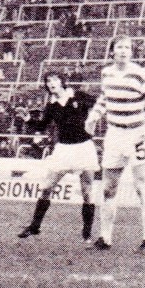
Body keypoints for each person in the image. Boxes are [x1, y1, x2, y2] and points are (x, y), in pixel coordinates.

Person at [84, 35, 145, 253]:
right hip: (114, 136)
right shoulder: (107, 73)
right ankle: (105, 238)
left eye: (127, 47)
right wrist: (94, 115)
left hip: (137, 135)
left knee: (143, 187)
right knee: (109, 188)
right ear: (112, 51)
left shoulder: (140, 74)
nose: (123, 51)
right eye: (119, 47)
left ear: (132, 51)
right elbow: (104, 99)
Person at [17, 72, 98, 242]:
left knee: (87, 191)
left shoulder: (78, 95)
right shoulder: (51, 106)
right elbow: (42, 125)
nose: (51, 83)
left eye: (54, 80)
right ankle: (35, 226)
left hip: (84, 147)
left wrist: (93, 120)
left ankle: (87, 233)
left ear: (62, 81)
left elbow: (98, 105)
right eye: (48, 81)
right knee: (47, 187)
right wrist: (28, 119)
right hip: (63, 149)